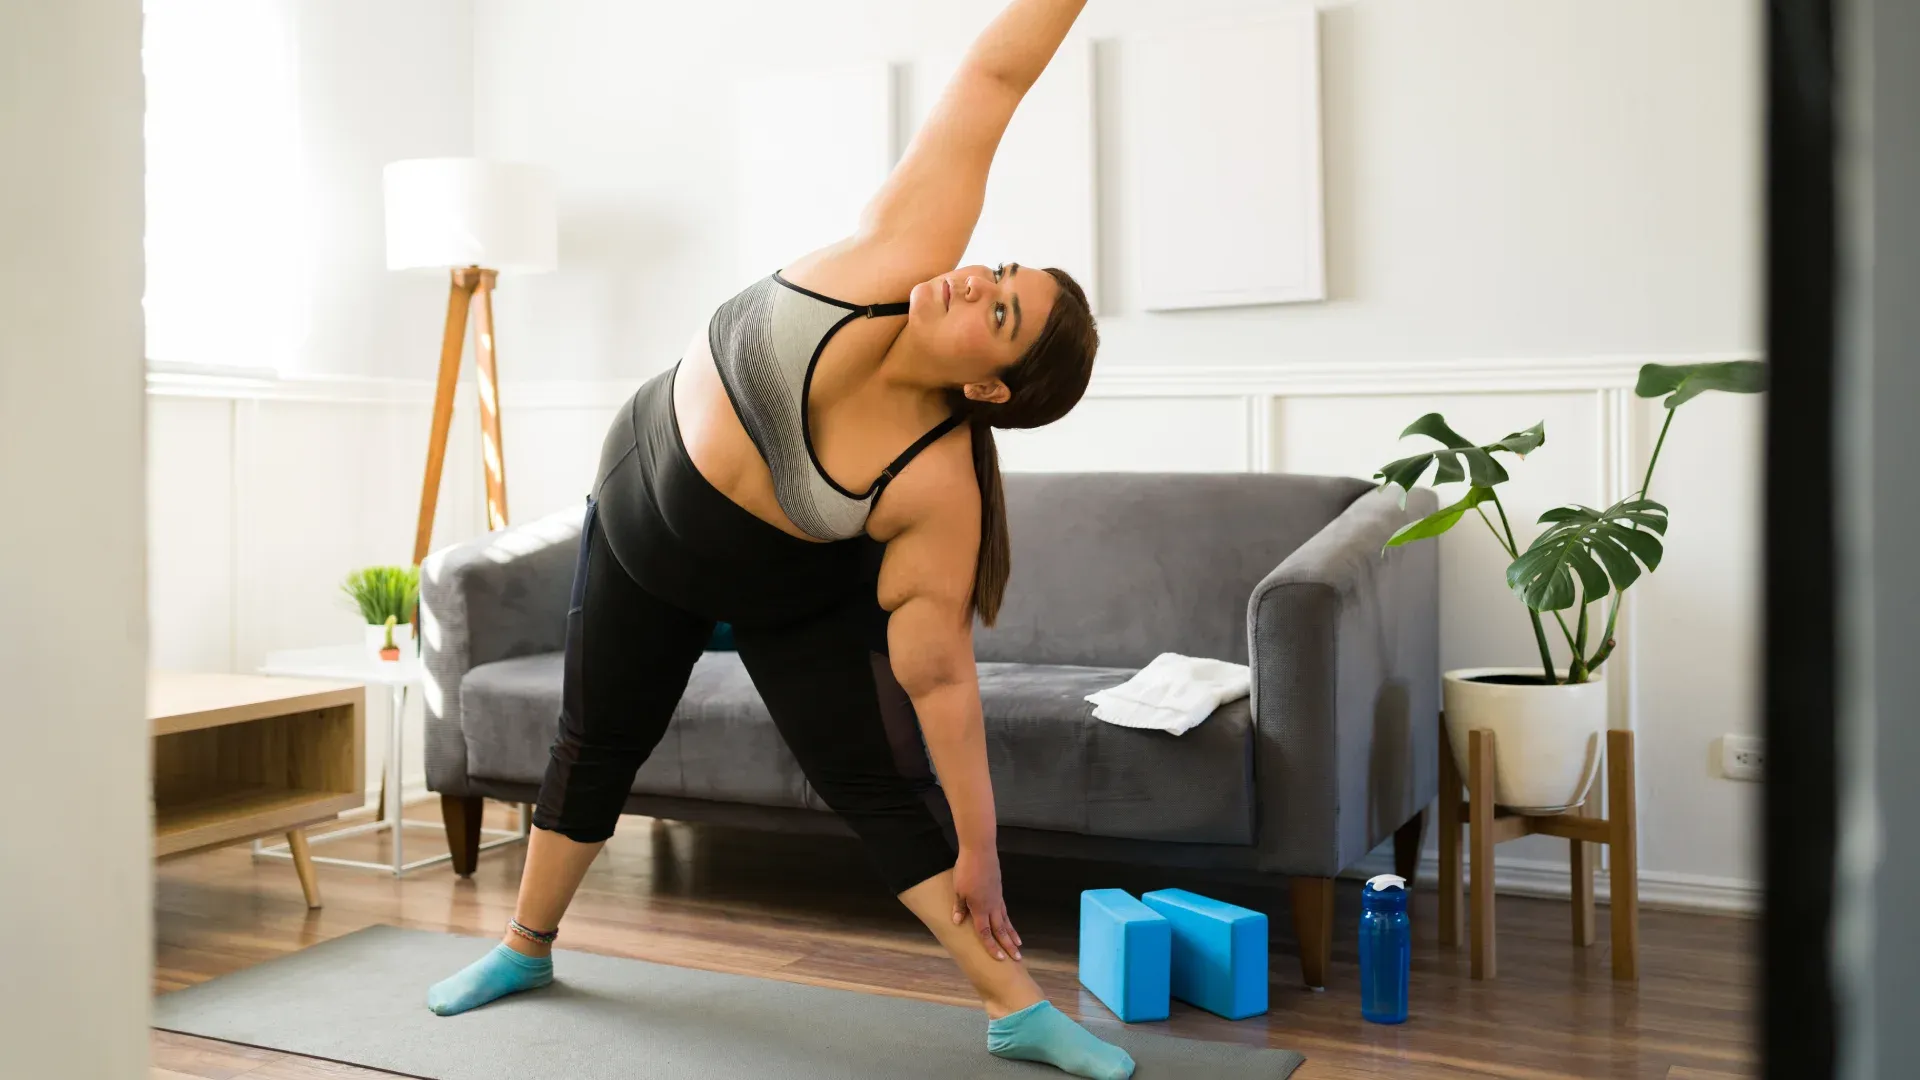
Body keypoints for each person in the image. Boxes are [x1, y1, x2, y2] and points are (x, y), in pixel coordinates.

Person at [427, 1, 1124, 1076]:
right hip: (641, 511)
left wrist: (983, 851)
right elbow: (997, 77)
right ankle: (525, 947)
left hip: (780, 585)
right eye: (1001, 274)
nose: (976, 282)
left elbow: (941, 680)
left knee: (875, 783)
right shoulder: (903, 249)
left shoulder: (936, 486)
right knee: (596, 740)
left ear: (991, 387)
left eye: (999, 315)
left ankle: (1016, 1009)